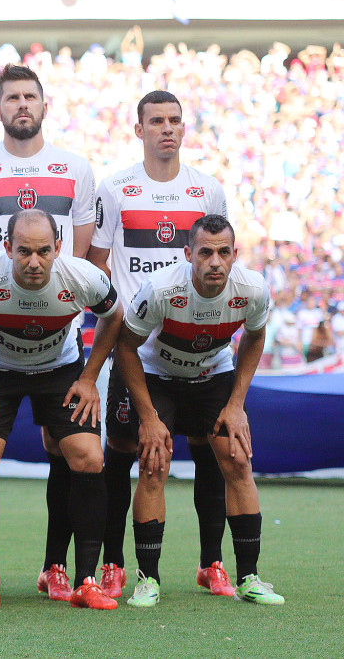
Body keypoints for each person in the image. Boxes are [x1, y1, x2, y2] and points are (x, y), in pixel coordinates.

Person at [0, 63, 96, 602]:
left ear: (44, 104)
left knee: (71, 450)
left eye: (29, 96)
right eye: (12, 98)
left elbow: (86, 257)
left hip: (58, 343)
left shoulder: (76, 168)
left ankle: (58, 568)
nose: (22, 106)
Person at [88, 90, 231, 599]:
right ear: (139, 129)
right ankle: (113, 563)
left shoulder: (207, 189)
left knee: (210, 453)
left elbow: (221, 257)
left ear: (183, 129)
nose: (166, 129)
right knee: (125, 454)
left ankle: (211, 562)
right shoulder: (116, 187)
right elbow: (97, 263)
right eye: (156, 121)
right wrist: (122, 318)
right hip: (139, 352)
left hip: (199, 349)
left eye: (174, 121)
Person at [0, 209, 123, 612]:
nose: (33, 261)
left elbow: (115, 316)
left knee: (90, 458)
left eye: (44, 251)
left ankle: (85, 581)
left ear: (58, 248)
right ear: (7, 247)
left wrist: (90, 377)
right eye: (23, 251)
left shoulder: (82, 276)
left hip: (60, 371)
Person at [116, 215, 284, 606]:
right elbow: (125, 347)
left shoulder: (253, 288)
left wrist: (237, 403)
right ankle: (148, 580)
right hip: (159, 377)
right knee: (154, 463)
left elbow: (255, 338)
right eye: (205, 252)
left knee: (238, 460)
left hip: (213, 376)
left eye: (223, 252)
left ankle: (249, 578)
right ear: (188, 253)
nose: (215, 262)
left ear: (234, 254)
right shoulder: (160, 290)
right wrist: (149, 417)